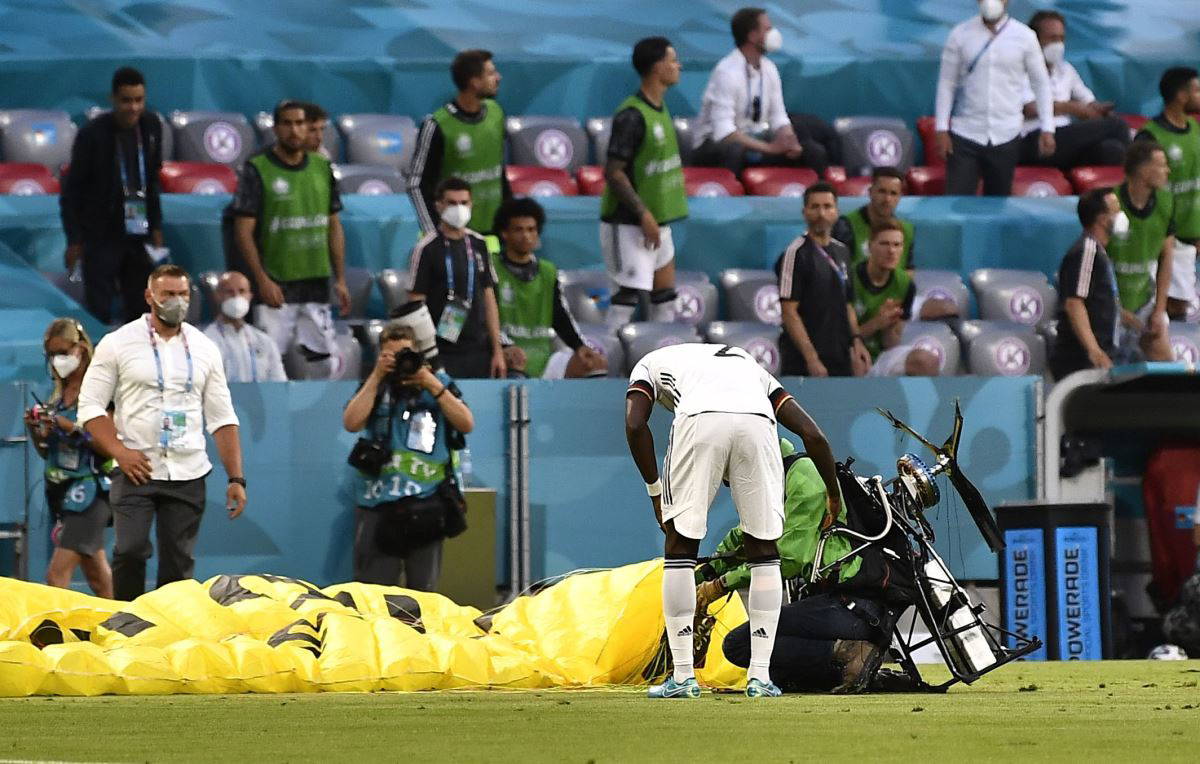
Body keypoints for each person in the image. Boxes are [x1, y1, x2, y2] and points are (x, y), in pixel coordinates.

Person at [624, 342, 842, 698]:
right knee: (764, 549)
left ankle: (682, 677)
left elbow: (635, 425)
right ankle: (760, 677)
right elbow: (812, 434)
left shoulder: (649, 363)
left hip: (698, 419)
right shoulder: (749, 365)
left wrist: (654, 491)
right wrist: (833, 492)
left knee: (680, 545)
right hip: (759, 424)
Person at [78, 264, 247, 601]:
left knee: (178, 566)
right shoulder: (117, 343)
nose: (177, 301)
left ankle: (168, 638)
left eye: (183, 294)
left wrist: (236, 478)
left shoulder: (205, 348)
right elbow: (90, 408)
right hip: (135, 467)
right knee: (129, 551)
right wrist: (120, 452)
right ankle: (126, 623)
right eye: (168, 294)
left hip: (188, 470)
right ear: (149, 295)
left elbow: (222, 417)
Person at [707, 440, 918, 693]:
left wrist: (720, 585)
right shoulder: (782, 480)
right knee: (771, 666)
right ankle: (865, 673)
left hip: (856, 606)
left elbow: (789, 561)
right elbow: (746, 535)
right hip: (839, 604)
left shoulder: (806, 481)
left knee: (740, 644)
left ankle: (852, 652)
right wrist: (708, 571)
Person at [342, 322, 474, 591]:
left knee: (423, 598)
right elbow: (351, 423)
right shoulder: (375, 386)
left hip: (427, 503)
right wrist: (377, 376)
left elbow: (466, 423)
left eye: (406, 354)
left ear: (418, 353)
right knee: (374, 598)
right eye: (392, 355)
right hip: (377, 504)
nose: (401, 362)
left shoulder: (439, 384)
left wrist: (429, 381)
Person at [228, 100, 350, 372]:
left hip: (316, 284)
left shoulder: (322, 167)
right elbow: (243, 231)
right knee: (265, 369)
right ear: (275, 127)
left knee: (325, 367)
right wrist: (261, 279)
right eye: (287, 123)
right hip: (276, 288)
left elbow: (334, 225)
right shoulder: (257, 169)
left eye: (299, 123)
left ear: (308, 127)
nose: (294, 130)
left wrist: (340, 279)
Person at [60, 67, 166, 325]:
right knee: (99, 310)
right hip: (101, 236)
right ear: (113, 99)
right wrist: (74, 239)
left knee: (142, 310)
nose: (133, 107)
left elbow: (152, 180)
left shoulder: (151, 127)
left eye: (139, 100)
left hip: (139, 232)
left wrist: (157, 227)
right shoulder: (92, 134)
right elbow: (71, 191)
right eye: (126, 100)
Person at [600, 36, 688, 330]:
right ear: (656, 67)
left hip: (659, 221)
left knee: (665, 300)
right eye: (673, 60)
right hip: (628, 223)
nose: (679, 66)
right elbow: (614, 172)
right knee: (625, 302)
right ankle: (609, 369)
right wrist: (643, 214)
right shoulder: (632, 115)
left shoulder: (660, 110)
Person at [24, 319, 113, 597]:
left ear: (81, 349)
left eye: (63, 352)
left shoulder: (100, 389)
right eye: (51, 354)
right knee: (96, 574)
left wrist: (69, 427)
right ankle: (121, 623)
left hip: (92, 489)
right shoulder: (58, 395)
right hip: (63, 491)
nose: (57, 360)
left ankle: (54, 636)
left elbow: (109, 445)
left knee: (56, 575)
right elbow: (46, 451)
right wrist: (37, 430)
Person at [934, 0, 1056, 195]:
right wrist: (941, 128)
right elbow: (947, 83)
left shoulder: (1024, 36)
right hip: (966, 132)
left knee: (999, 204)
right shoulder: (960, 34)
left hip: (1006, 134)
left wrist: (1047, 127)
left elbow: (1041, 84)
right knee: (956, 202)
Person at [490, 197, 606, 379]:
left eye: (531, 230)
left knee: (593, 364)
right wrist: (504, 346)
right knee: (513, 365)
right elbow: (485, 317)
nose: (526, 236)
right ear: (504, 233)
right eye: (518, 230)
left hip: (543, 354)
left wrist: (579, 346)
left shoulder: (547, 271)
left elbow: (560, 315)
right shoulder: (492, 266)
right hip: (508, 352)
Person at [406, 177, 506, 379]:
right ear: (438, 206)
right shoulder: (426, 248)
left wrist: (497, 350)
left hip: (479, 349)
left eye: (463, 203)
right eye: (452, 203)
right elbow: (415, 302)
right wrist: (426, 354)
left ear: (471, 205)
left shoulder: (479, 243)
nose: (458, 208)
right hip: (442, 350)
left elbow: (488, 296)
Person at [692, 8, 808, 176]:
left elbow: (778, 115)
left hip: (755, 137)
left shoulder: (769, 68)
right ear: (752, 36)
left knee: (810, 149)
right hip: (712, 146)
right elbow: (724, 132)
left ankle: (816, 199)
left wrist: (789, 140)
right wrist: (770, 148)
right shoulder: (726, 72)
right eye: (767, 29)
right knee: (735, 150)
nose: (773, 33)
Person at [408, 49, 510, 235]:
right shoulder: (437, 125)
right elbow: (416, 184)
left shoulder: (497, 113)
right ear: (474, 82)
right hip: (452, 234)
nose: (498, 77)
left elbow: (499, 171)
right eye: (490, 73)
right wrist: (433, 233)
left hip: (494, 233)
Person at [775, 183, 872, 377]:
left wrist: (857, 340)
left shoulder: (842, 251)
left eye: (827, 206)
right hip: (803, 362)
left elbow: (848, 304)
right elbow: (789, 312)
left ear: (836, 211)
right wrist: (811, 358)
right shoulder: (795, 253)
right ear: (804, 212)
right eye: (815, 207)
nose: (821, 213)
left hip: (840, 355)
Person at [1017, 10, 1128, 169]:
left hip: (1065, 142)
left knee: (1112, 149)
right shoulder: (1019, 69)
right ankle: (1139, 178)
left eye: (1062, 39)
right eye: (1053, 39)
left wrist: (1097, 110)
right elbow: (1029, 109)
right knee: (1116, 126)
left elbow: (1087, 101)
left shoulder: (1065, 70)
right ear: (1034, 39)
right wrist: (1072, 108)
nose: (1058, 45)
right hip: (1033, 140)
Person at [1137, 67, 1200, 319]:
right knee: (1161, 310)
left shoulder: (1195, 129)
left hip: (1190, 237)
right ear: (1181, 95)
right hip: (1163, 238)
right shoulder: (1150, 136)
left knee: (1179, 308)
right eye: (1196, 90)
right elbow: (1140, 190)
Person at [1106, 141, 1175, 363]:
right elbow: (1096, 264)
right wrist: (1117, 311)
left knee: (1166, 363)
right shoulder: (1109, 204)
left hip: (1144, 304)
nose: (1168, 171)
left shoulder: (1166, 201)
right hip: (1109, 306)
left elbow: (1167, 258)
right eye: (1162, 165)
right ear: (1144, 171)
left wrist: (1159, 309)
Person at [850, 220, 941, 377]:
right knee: (854, 363)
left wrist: (889, 324)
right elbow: (838, 339)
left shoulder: (905, 284)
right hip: (848, 350)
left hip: (880, 355)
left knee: (926, 360)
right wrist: (876, 323)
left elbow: (890, 343)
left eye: (897, 245)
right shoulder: (849, 279)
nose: (891, 251)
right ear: (870, 246)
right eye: (884, 244)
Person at [1050, 189, 1123, 380]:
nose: (1122, 216)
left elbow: (1096, 303)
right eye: (1116, 211)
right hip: (1080, 361)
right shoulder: (1087, 250)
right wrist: (1094, 351)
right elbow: (1074, 303)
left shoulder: (1097, 251)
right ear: (1102, 219)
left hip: (1098, 358)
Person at [202, 271, 288, 382]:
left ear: (249, 296)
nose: (236, 296)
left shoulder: (265, 342)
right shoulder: (206, 341)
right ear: (218, 296)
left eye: (242, 291)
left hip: (259, 399)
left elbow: (278, 384)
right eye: (230, 292)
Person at [830, 167, 916, 270]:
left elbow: (908, 271)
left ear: (900, 197)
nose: (887, 199)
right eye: (882, 191)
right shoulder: (846, 226)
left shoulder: (907, 231)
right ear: (871, 192)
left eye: (893, 193)